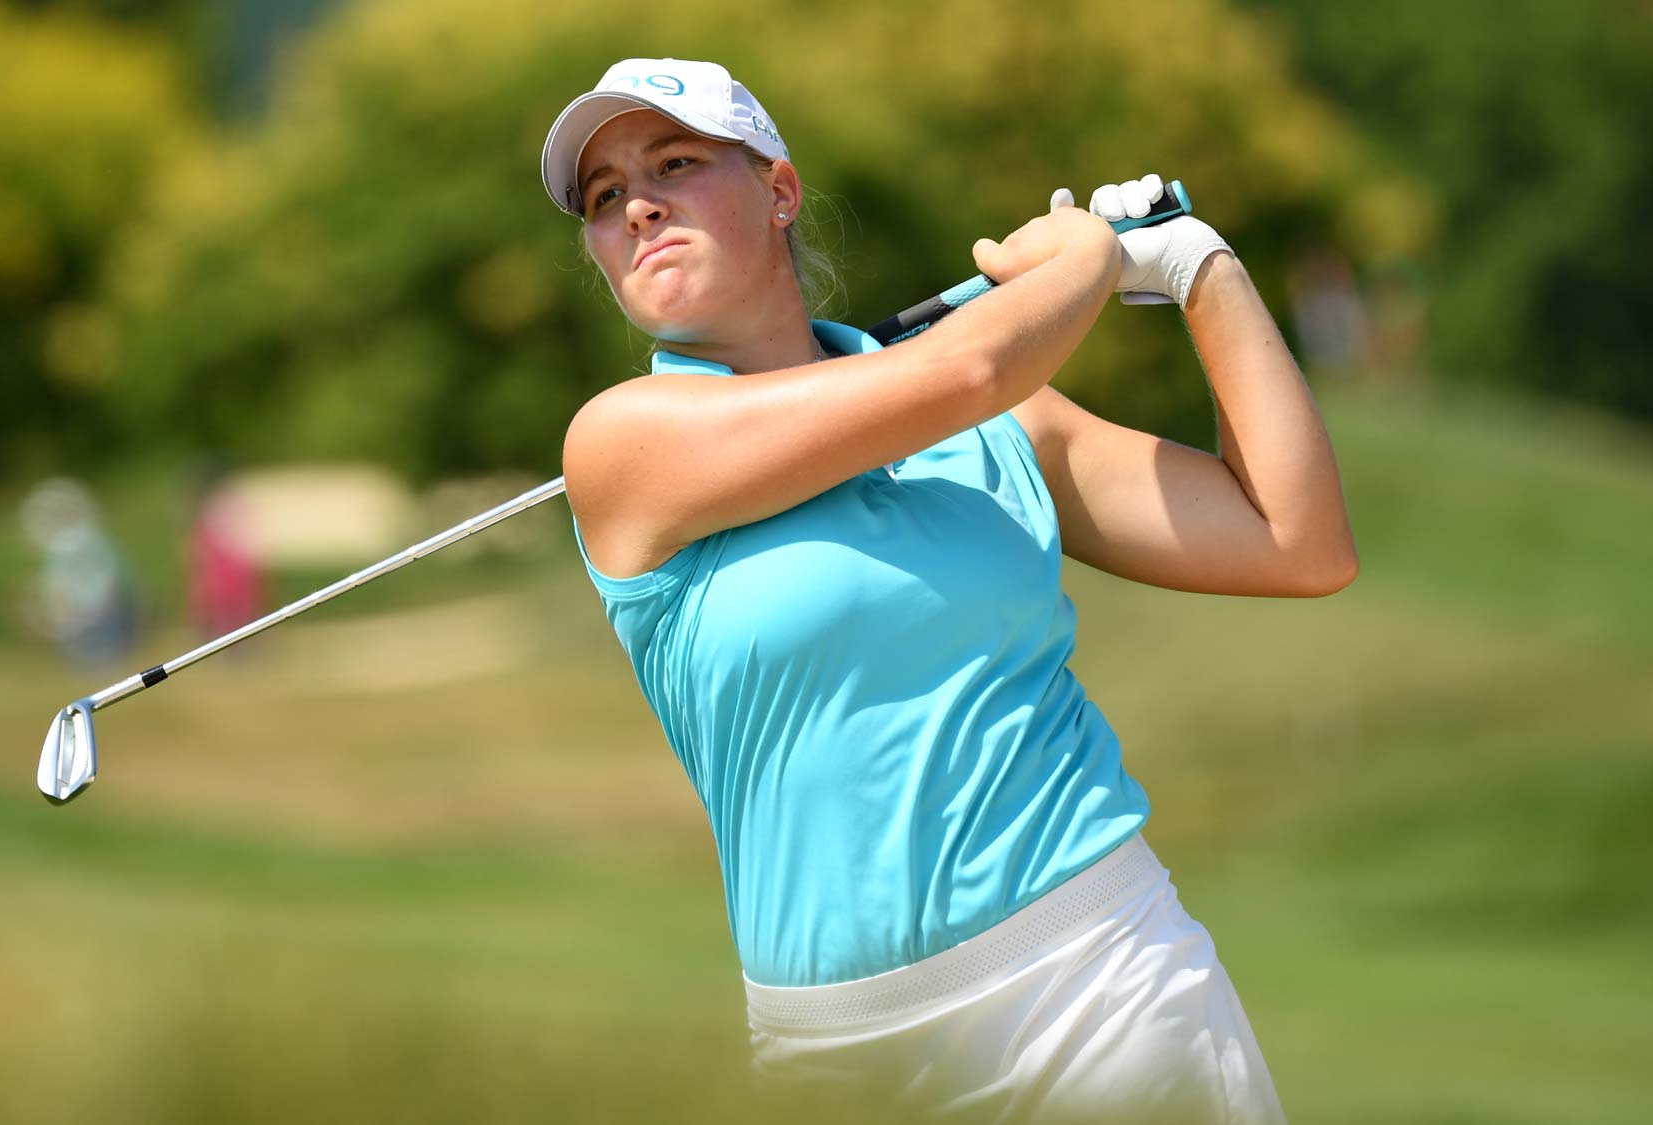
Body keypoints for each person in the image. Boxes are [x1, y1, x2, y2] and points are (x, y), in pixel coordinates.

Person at [543, 58, 1354, 1123]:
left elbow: (1293, 542)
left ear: (778, 191)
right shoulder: (621, 444)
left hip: (1100, 984)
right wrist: (1081, 259)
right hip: (838, 1064)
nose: (637, 203)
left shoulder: (1006, 429)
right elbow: (963, 373)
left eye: (677, 162)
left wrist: (1199, 270)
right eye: (604, 197)